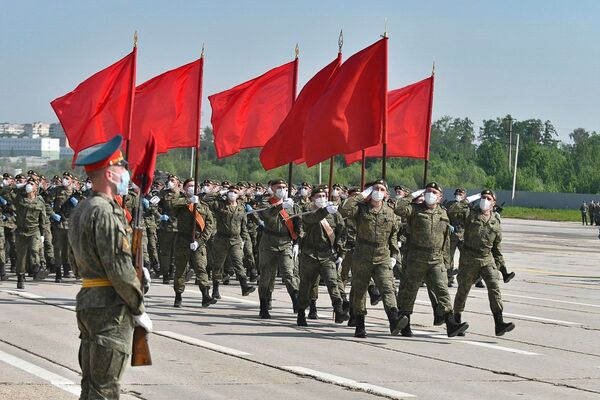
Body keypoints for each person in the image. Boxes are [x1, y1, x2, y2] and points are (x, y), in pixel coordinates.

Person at [68, 135, 152, 399]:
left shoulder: (82, 209)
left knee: (92, 385)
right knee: (106, 388)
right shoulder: (105, 211)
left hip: (90, 301)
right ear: (110, 174)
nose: (126, 174)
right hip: (111, 309)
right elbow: (118, 267)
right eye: (122, 168)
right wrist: (137, 305)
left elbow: (74, 261)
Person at [394, 182, 469, 338]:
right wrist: (412, 195)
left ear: (440, 197)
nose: (430, 194)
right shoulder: (414, 210)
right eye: (428, 191)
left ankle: (451, 324)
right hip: (416, 258)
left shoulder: (443, 213)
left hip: (436, 259)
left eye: (434, 192)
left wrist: (447, 263)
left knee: (442, 291)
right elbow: (398, 208)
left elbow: (446, 239)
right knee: (409, 292)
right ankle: (405, 325)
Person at [341, 179, 407, 338]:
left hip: (382, 255)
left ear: (385, 194)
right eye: (375, 188)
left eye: (381, 189)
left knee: (387, 288)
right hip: (362, 254)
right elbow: (344, 209)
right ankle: (360, 323)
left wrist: (394, 254)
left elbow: (393, 235)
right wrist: (362, 195)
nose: (378, 191)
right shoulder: (361, 209)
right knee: (360, 290)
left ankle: (393, 319)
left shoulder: (390, 211)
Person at [452, 190, 515, 336]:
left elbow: (497, 248)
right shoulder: (470, 214)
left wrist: (502, 267)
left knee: (494, 288)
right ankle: (456, 320)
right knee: (463, 290)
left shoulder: (495, 221)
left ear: (493, 203)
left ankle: (499, 322)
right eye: (483, 197)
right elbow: (454, 210)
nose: (485, 200)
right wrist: (468, 200)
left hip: (487, 259)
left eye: (488, 198)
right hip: (469, 258)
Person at [296, 187, 348, 326]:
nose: (322, 198)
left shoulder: (333, 213)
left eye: (324, 195)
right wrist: (325, 211)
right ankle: (301, 312)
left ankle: (338, 309)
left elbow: (342, 231)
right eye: (318, 195)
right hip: (310, 254)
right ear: (312, 197)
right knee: (306, 285)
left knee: (333, 282)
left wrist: (340, 251)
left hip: (327, 254)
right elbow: (311, 219)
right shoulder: (306, 209)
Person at [257, 179, 300, 319]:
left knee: (289, 273)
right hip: (269, 243)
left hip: (286, 242)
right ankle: (263, 305)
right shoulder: (266, 202)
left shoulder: (292, 205)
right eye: (278, 187)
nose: (282, 189)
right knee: (266, 276)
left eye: (283, 187)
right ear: (272, 188)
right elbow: (266, 214)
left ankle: (296, 300)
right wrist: (281, 206)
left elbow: (298, 224)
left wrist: (297, 242)